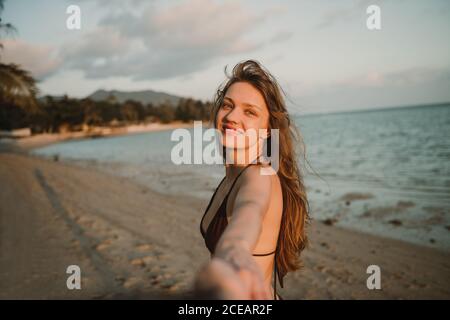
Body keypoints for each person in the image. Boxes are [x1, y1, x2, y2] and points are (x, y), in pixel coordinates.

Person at [195, 60, 310, 300]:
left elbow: (250, 211)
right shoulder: (233, 176)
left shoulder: (258, 176)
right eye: (228, 105)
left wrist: (235, 251)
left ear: (268, 128)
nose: (232, 117)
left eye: (250, 112)